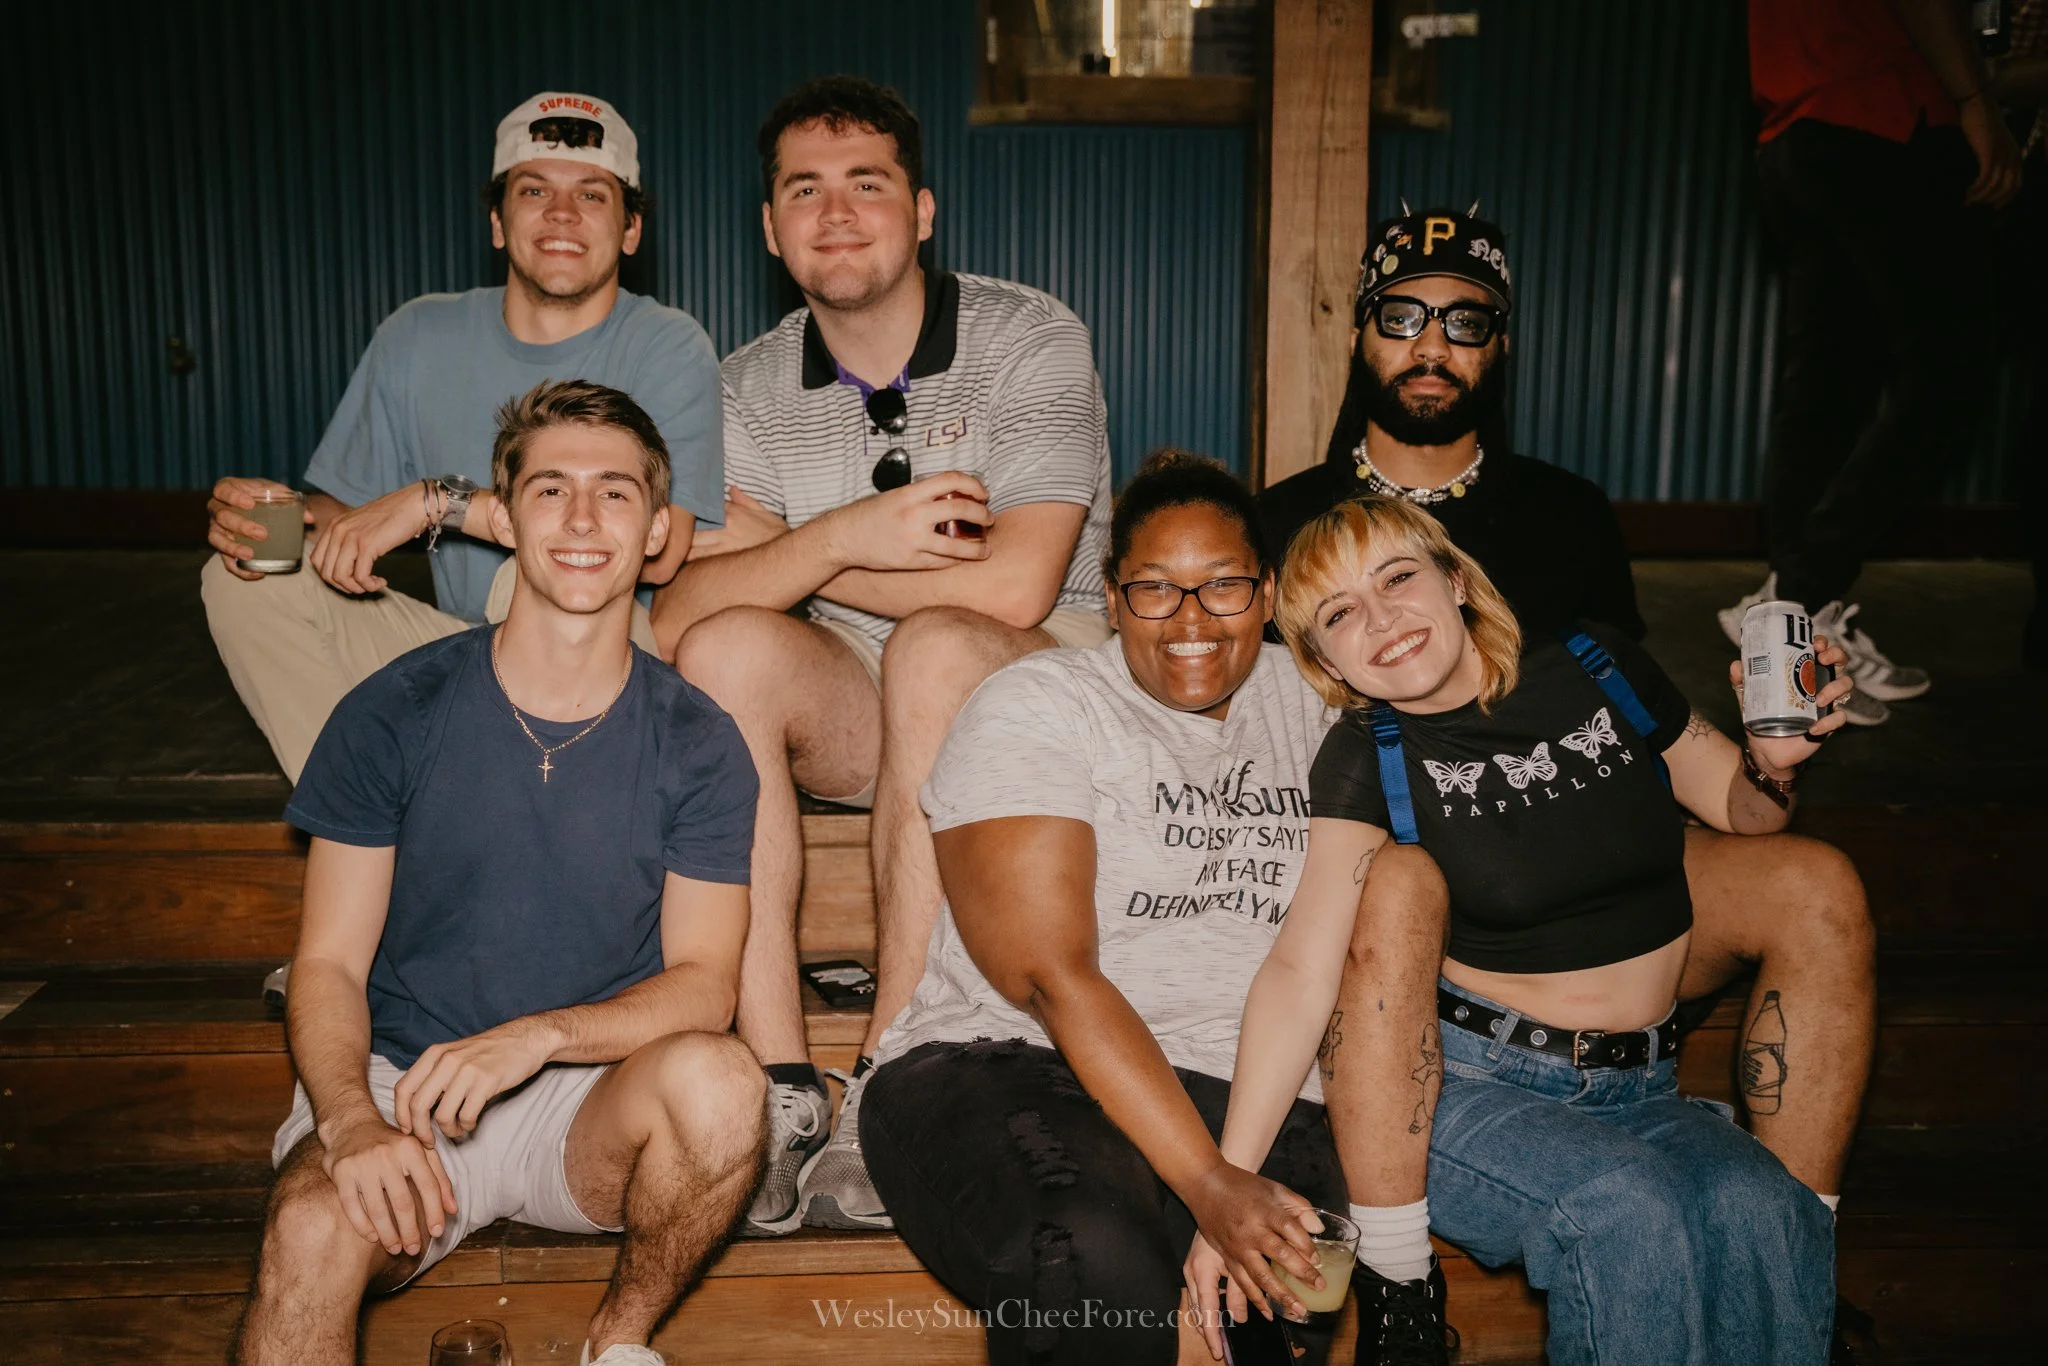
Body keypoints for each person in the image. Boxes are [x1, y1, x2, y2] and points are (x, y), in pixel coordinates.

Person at [1256, 205, 1878, 1255]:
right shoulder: (1282, 522)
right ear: (1359, 334)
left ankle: (1789, 1237)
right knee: (1402, 886)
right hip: (1422, 910)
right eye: (1400, 315)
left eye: (1465, 321)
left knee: (1814, 880)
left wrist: (1767, 771)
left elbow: (1639, 749)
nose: (1430, 345)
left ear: (1499, 346)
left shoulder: (1566, 513)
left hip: (1588, 882)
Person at [1202, 494, 1846, 1364]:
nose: (1382, 618)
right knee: (1628, 1210)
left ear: (1457, 579)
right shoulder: (1369, 756)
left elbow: (1745, 815)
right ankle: (1403, 1293)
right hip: (1479, 1087)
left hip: (1646, 1083)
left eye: (1397, 577)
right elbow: (1300, 970)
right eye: (1340, 614)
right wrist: (1224, 1186)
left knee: (1763, 1207)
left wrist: (1771, 768)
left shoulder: (1599, 666)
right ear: (1327, 662)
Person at [860, 452, 1453, 1366]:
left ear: (1265, 595)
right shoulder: (1041, 705)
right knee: (1092, 1255)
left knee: (1269, 1294)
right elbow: (1050, 978)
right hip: (1010, 1063)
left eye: (1223, 588)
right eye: (1155, 590)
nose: (1191, 622)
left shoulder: (1320, 710)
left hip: (1254, 1088)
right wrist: (1208, 1181)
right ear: (1110, 596)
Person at [232, 381, 764, 1366]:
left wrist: (537, 1038)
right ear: (504, 514)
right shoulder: (394, 710)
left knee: (726, 1084)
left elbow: (705, 983)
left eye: (614, 493)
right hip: (405, 1083)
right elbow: (329, 966)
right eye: (550, 488)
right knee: (308, 1228)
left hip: (584, 1095)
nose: (579, 518)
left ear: (655, 530)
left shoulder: (699, 741)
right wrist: (350, 1122)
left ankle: (617, 1343)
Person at [665, 76, 1113, 1237]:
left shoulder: (1029, 335)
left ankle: (882, 1078)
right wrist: (850, 536)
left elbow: (1015, 583)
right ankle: (780, 1089)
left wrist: (798, 554)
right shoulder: (745, 385)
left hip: (1038, 678)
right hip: (863, 693)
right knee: (723, 648)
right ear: (770, 230)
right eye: (802, 190)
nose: (836, 212)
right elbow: (680, 614)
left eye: (866, 183)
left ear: (919, 210)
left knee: (930, 641)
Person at [204, 90, 724, 783]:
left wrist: (436, 502)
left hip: (609, 656)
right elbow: (343, 519)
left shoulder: (667, 344)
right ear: (497, 222)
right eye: (534, 189)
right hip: (459, 649)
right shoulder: (418, 335)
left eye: (592, 195)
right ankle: (364, 814)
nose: (562, 213)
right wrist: (266, 519)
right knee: (248, 583)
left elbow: (659, 555)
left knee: (542, 566)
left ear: (631, 230)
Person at [1728, 0, 2025, 713]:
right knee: (1951, 377)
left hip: (1796, 132)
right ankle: (1796, 591)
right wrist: (1975, 101)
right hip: (1889, 121)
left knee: (1824, 391)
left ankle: (1791, 632)